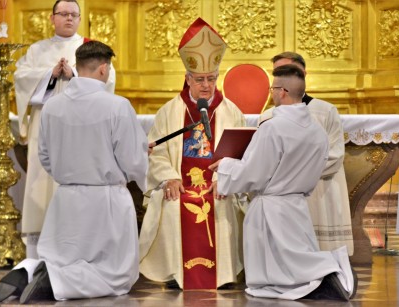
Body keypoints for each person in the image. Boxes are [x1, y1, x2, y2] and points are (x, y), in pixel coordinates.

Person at [0, 40, 148, 304]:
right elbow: (133, 161)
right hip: (105, 201)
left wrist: (71, 173)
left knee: (64, 258)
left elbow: (44, 156)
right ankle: (54, 281)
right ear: (103, 69)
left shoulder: (53, 107)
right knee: (116, 274)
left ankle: (29, 270)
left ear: (79, 65)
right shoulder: (117, 106)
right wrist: (141, 157)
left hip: (65, 200)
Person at [209, 64, 357, 301]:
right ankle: (325, 274)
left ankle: (330, 268)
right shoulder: (316, 131)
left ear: (283, 91)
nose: (271, 93)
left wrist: (225, 166)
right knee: (288, 262)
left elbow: (253, 174)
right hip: (297, 204)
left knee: (285, 264)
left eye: (273, 88)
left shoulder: (273, 128)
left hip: (273, 205)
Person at [138, 17, 246, 290]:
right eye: (199, 79)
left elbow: (240, 153)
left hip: (218, 184)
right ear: (187, 78)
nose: (206, 85)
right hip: (180, 183)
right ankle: (177, 273)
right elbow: (157, 152)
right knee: (173, 203)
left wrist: (227, 178)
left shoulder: (231, 112)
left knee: (222, 203)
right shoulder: (169, 111)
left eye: (211, 79)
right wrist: (169, 177)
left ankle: (223, 274)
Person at [14, 0, 115, 259]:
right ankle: (37, 256)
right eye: (63, 14)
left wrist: (74, 77)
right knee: (42, 183)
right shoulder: (37, 50)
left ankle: (75, 249)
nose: (69, 18)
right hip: (44, 125)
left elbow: (108, 81)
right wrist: (50, 74)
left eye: (73, 14)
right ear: (52, 18)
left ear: (80, 18)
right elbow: (20, 79)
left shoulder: (90, 48)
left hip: (80, 129)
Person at [259, 51, 353, 256]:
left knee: (322, 252)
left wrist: (294, 173)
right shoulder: (267, 117)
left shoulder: (325, 111)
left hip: (319, 191)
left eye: (291, 71)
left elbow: (335, 155)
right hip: (283, 194)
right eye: (279, 72)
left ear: (303, 74)